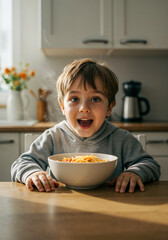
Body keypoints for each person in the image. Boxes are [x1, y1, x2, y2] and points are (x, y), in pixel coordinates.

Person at [11, 58, 160, 193]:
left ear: (109, 108)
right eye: (74, 99)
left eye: (95, 99)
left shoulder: (121, 139)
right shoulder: (53, 137)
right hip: (62, 206)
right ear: (63, 106)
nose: (84, 108)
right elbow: (21, 163)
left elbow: (150, 164)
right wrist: (32, 173)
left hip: (113, 206)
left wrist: (134, 173)